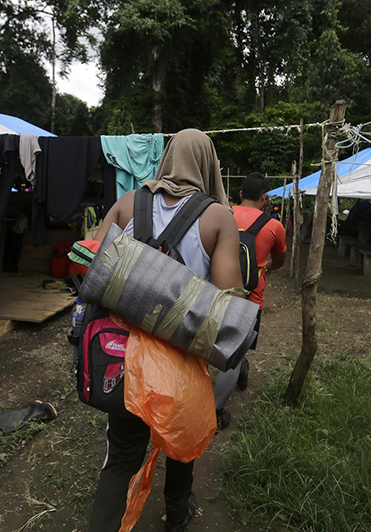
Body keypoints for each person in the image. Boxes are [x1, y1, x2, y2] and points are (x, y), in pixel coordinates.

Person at [88, 128, 242, 532]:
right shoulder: (218, 218)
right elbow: (229, 303)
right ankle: (176, 515)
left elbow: (92, 266)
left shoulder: (126, 204)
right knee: (181, 444)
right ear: (209, 166)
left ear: (167, 157)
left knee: (122, 456)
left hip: (121, 355)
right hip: (182, 358)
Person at [213, 172, 287, 428]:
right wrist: (265, 266)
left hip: (215, 294)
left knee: (210, 343)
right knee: (234, 354)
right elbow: (279, 261)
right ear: (265, 198)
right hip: (249, 300)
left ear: (241, 194)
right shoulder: (274, 226)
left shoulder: (221, 214)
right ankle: (215, 412)